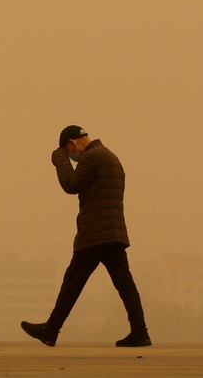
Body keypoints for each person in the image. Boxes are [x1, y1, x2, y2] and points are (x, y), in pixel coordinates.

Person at [21, 125, 152, 348]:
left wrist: (59, 159)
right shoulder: (109, 155)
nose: (73, 157)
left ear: (71, 143)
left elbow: (71, 185)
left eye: (69, 151)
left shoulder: (92, 157)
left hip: (96, 233)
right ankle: (139, 332)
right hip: (112, 231)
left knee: (72, 281)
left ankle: (50, 329)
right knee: (124, 283)